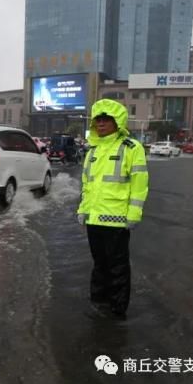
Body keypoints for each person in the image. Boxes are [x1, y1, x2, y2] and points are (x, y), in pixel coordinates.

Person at [77, 99, 149, 320]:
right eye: (98, 119)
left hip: (117, 220)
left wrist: (134, 214)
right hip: (94, 219)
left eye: (106, 119)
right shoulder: (93, 150)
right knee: (99, 264)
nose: (101, 123)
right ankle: (98, 301)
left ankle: (118, 309)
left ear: (118, 121)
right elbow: (87, 184)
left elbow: (139, 184)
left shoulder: (131, 147)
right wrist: (82, 209)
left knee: (117, 267)